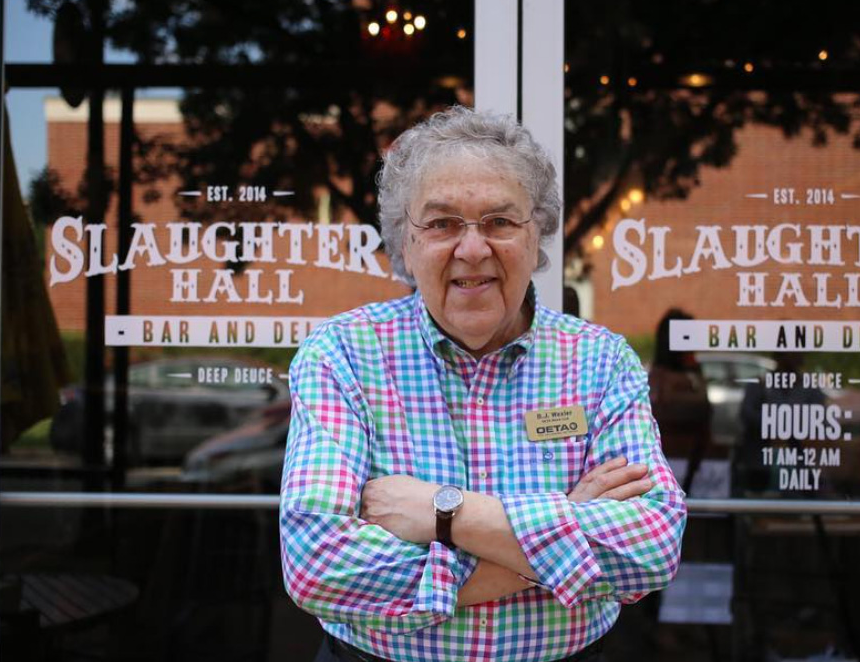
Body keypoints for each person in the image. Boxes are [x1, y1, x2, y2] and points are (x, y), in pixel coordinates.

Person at [280, 107, 687, 662]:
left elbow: (651, 547)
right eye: (442, 223)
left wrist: (447, 512)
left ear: (536, 233)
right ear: (405, 242)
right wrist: (558, 529)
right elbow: (317, 566)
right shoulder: (344, 355)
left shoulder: (601, 361)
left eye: (499, 221)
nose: (473, 249)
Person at [647, 309, 711, 492]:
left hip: (695, 468)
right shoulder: (658, 379)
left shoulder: (693, 374)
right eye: (688, 337)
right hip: (666, 467)